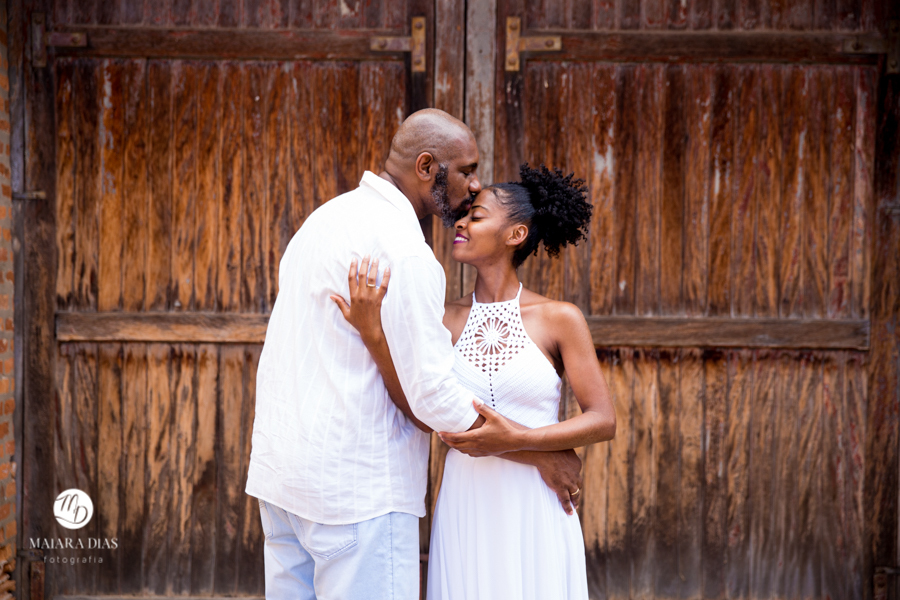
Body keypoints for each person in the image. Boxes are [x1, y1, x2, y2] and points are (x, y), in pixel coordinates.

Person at [245, 109, 583, 599]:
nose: (475, 184)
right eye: (466, 169)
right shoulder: (404, 250)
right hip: (356, 497)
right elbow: (434, 398)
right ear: (427, 167)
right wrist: (539, 456)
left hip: (284, 486)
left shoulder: (323, 221)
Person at [332, 163, 617, 599]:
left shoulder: (559, 318)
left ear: (515, 235)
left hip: (535, 506)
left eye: (477, 216)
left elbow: (602, 419)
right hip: (465, 502)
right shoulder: (442, 320)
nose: (460, 222)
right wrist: (372, 334)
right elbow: (422, 412)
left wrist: (519, 438)